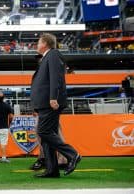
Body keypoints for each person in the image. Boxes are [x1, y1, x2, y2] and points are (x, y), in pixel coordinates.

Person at [30, 33, 81, 178]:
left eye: (39, 42)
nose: (36, 45)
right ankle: (52, 170)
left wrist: (53, 97)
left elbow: (56, 78)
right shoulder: (47, 57)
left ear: (45, 43)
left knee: (44, 131)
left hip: (50, 103)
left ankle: (73, 154)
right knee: (46, 135)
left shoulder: (53, 54)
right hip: (44, 104)